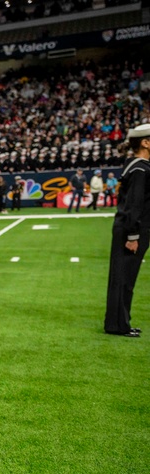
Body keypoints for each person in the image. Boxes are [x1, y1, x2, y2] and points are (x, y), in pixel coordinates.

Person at [104, 124, 150, 337]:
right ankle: (118, 325)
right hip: (132, 230)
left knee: (124, 278)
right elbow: (134, 205)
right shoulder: (140, 169)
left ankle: (120, 322)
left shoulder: (135, 166)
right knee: (124, 278)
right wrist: (133, 236)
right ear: (145, 142)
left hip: (131, 229)